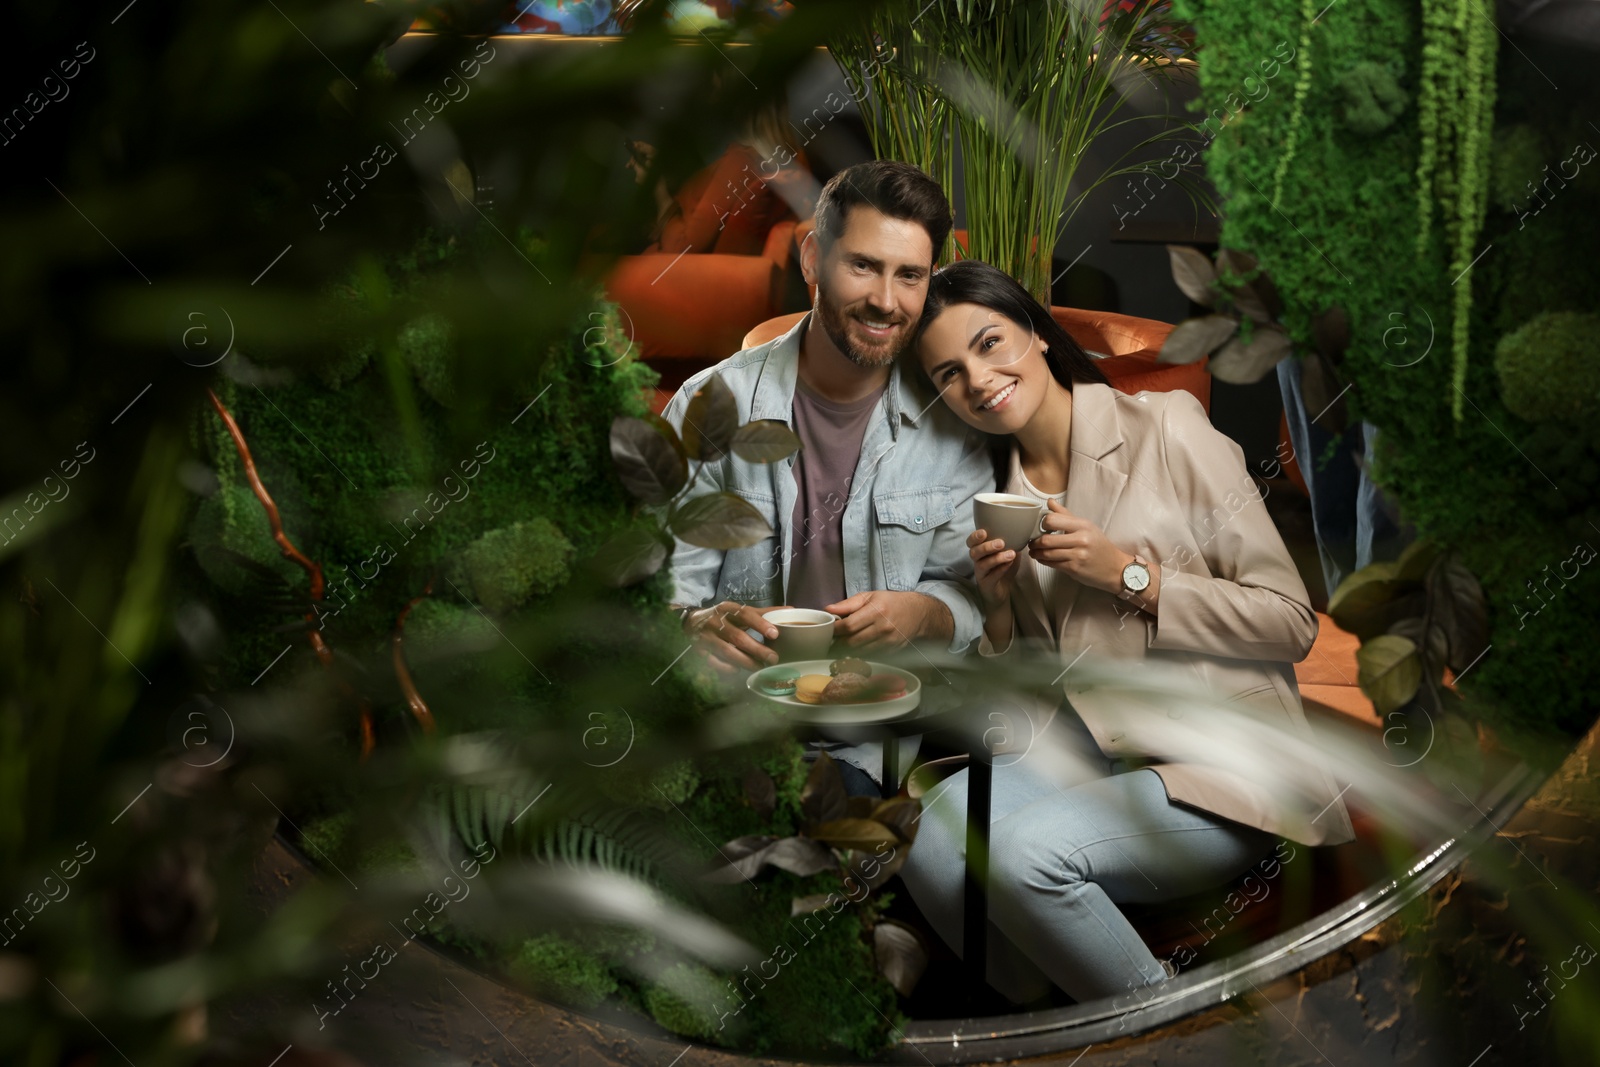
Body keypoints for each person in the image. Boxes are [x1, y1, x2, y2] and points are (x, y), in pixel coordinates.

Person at [898, 259, 1356, 1004]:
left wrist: (1130, 576)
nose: (978, 379)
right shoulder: (1001, 501)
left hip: (1224, 770)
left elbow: (1291, 620)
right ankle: (1043, 1027)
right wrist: (1004, 610)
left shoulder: (1168, 428)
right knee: (926, 836)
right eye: (949, 372)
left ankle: (1171, 1044)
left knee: (1022, 856)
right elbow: (1031, 707)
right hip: (1094, 758)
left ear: (1038, 336)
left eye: (990, 343)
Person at [661, 161, 993, 796]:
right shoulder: (712, 405)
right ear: (813, 259)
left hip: (871, 741)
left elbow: (977, 601)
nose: (886, 301)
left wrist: (923, 613)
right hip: (723, 725)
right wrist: (691, 626)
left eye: (910, 276)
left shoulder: (952, 417)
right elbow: (658, 593)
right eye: (862, 265)